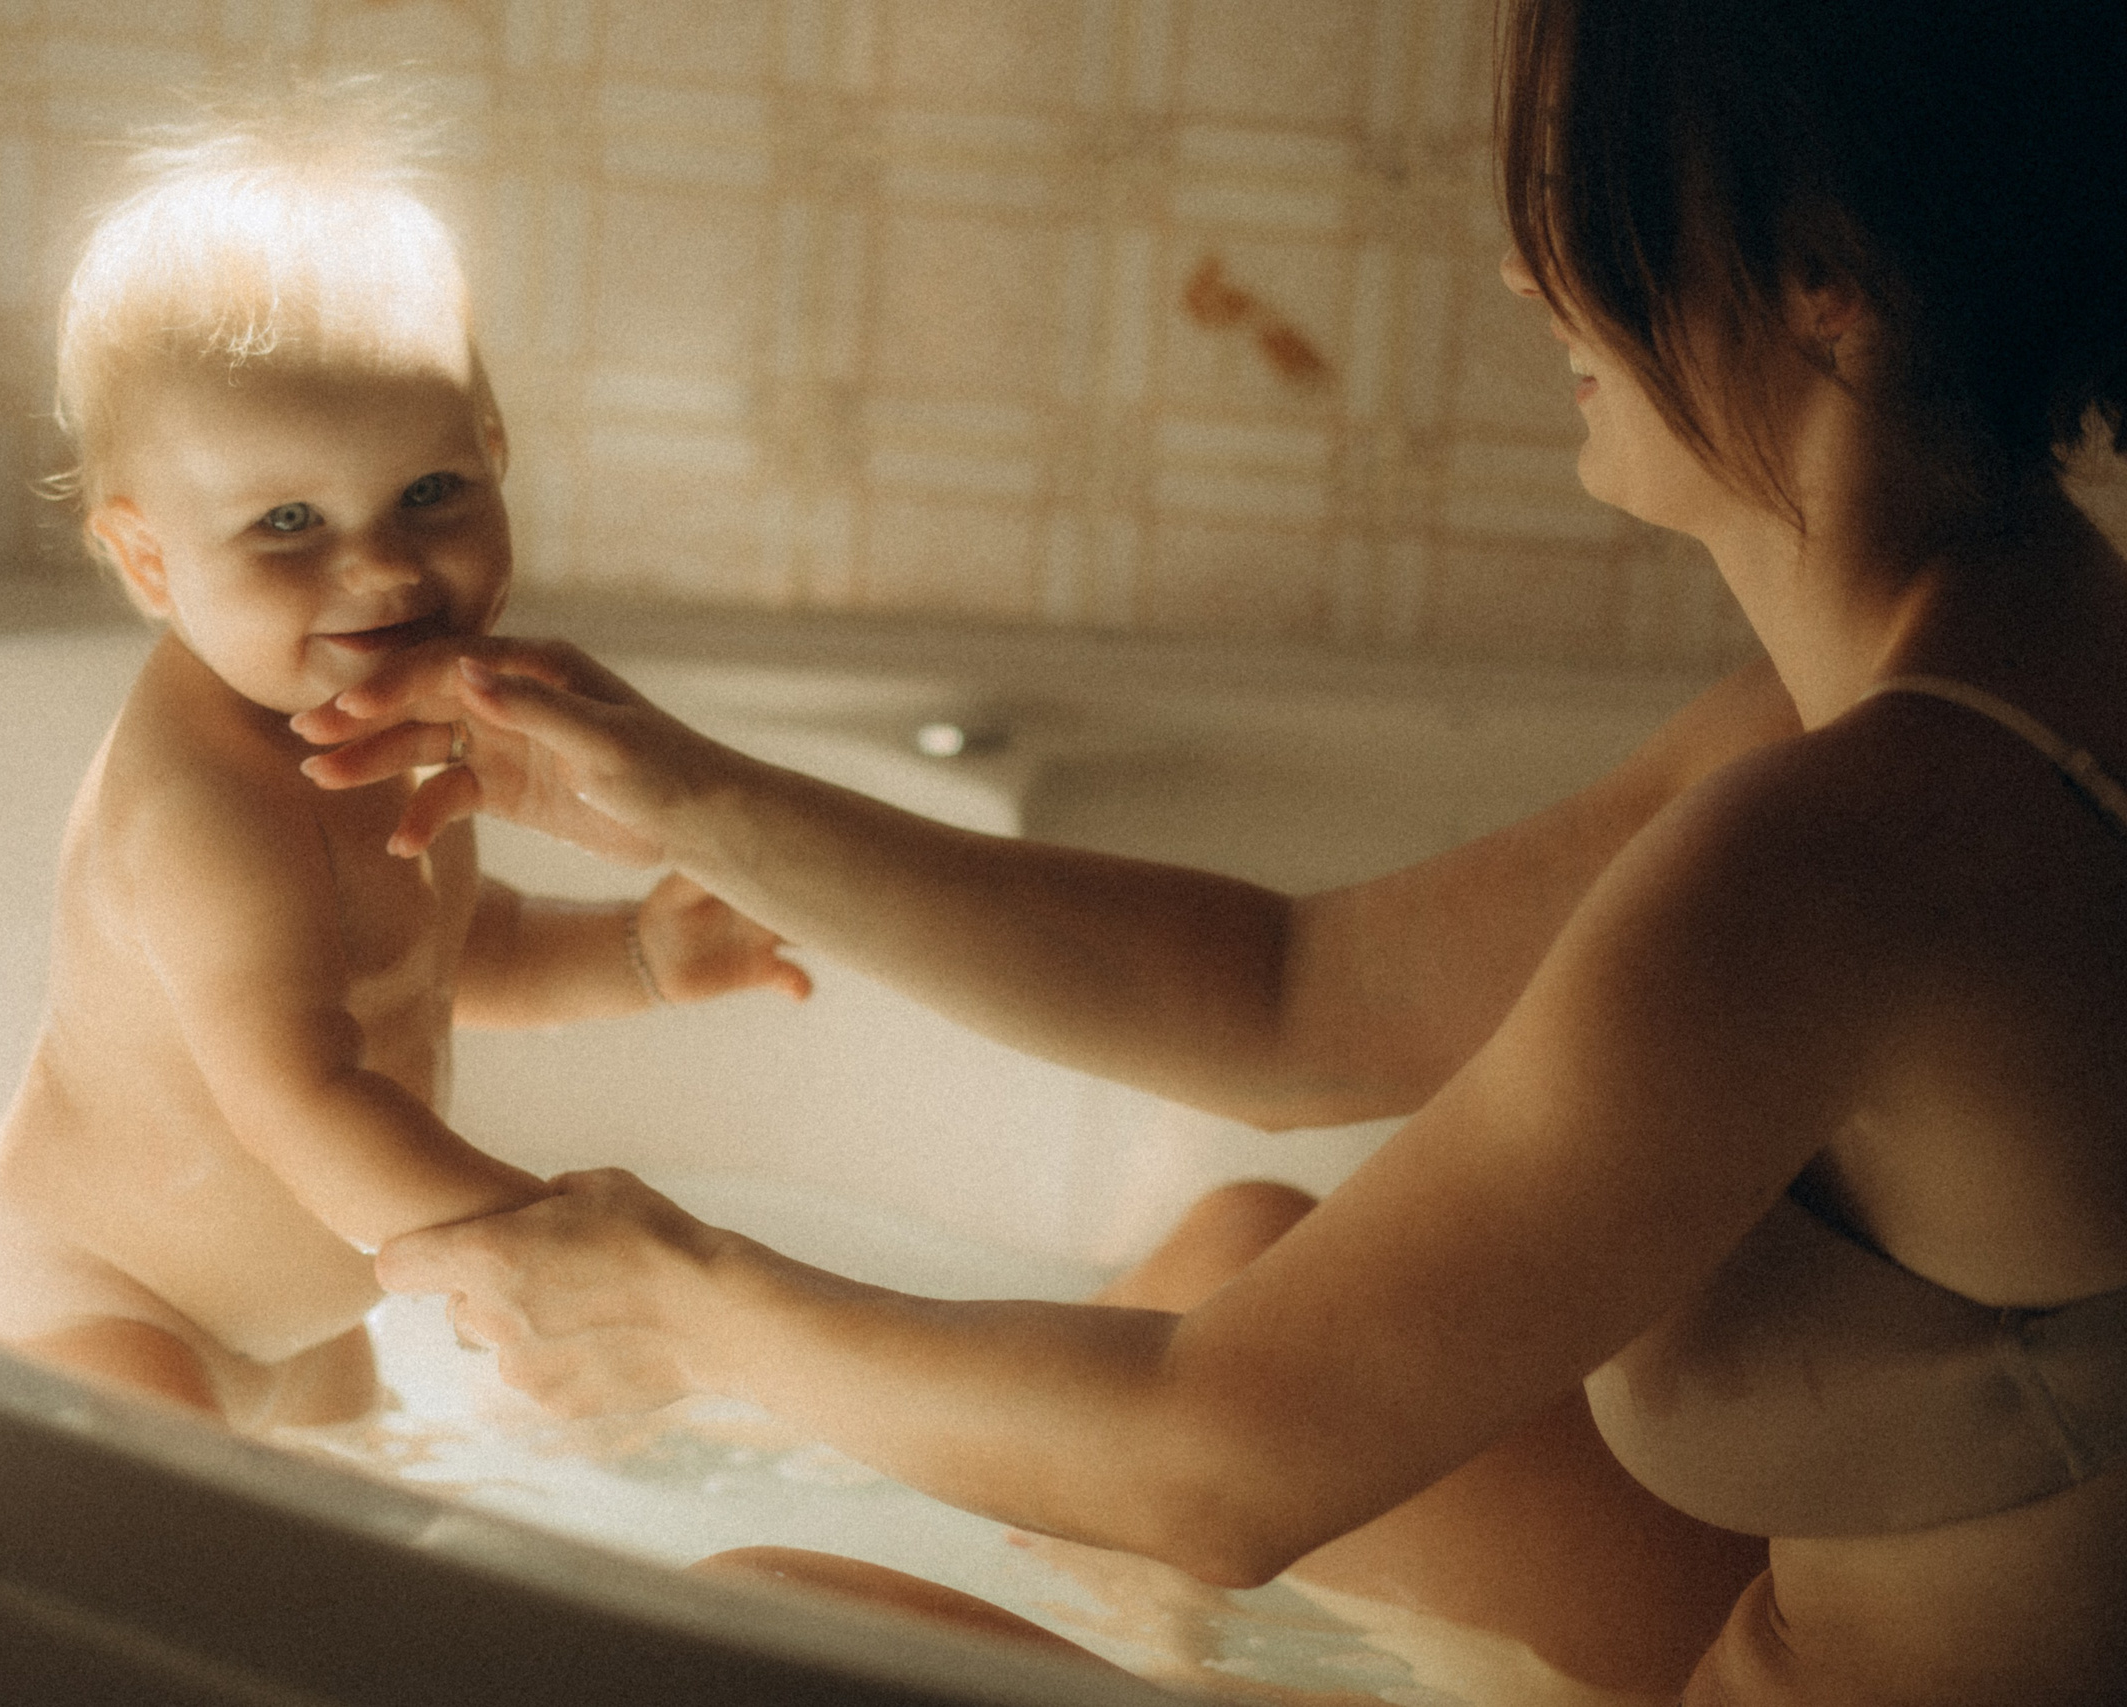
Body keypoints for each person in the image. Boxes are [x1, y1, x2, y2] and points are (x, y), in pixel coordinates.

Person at [291, 2, 2127, 1699]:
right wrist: (692, 800)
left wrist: (680, 1302)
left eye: (1575, 200)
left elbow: (1211, 1469)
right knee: (1227, 1252)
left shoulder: (1835, 853)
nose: (1518, 265)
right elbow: (1296, 1003)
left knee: (746, 1632)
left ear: (1833, 292)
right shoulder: (1992, 677)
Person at [0, 95, 809, 1436]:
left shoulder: (379, 722)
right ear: (151, 558)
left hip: (305, 1327)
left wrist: (637, 953)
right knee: (178, 1591)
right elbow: (299, 1093)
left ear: (494, 457)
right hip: (99, 1314)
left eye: (430, 493)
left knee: (340, 1601)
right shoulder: (204, 806)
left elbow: (446, 949)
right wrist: (546, 1246)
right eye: (287, 523)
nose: (384, 567)